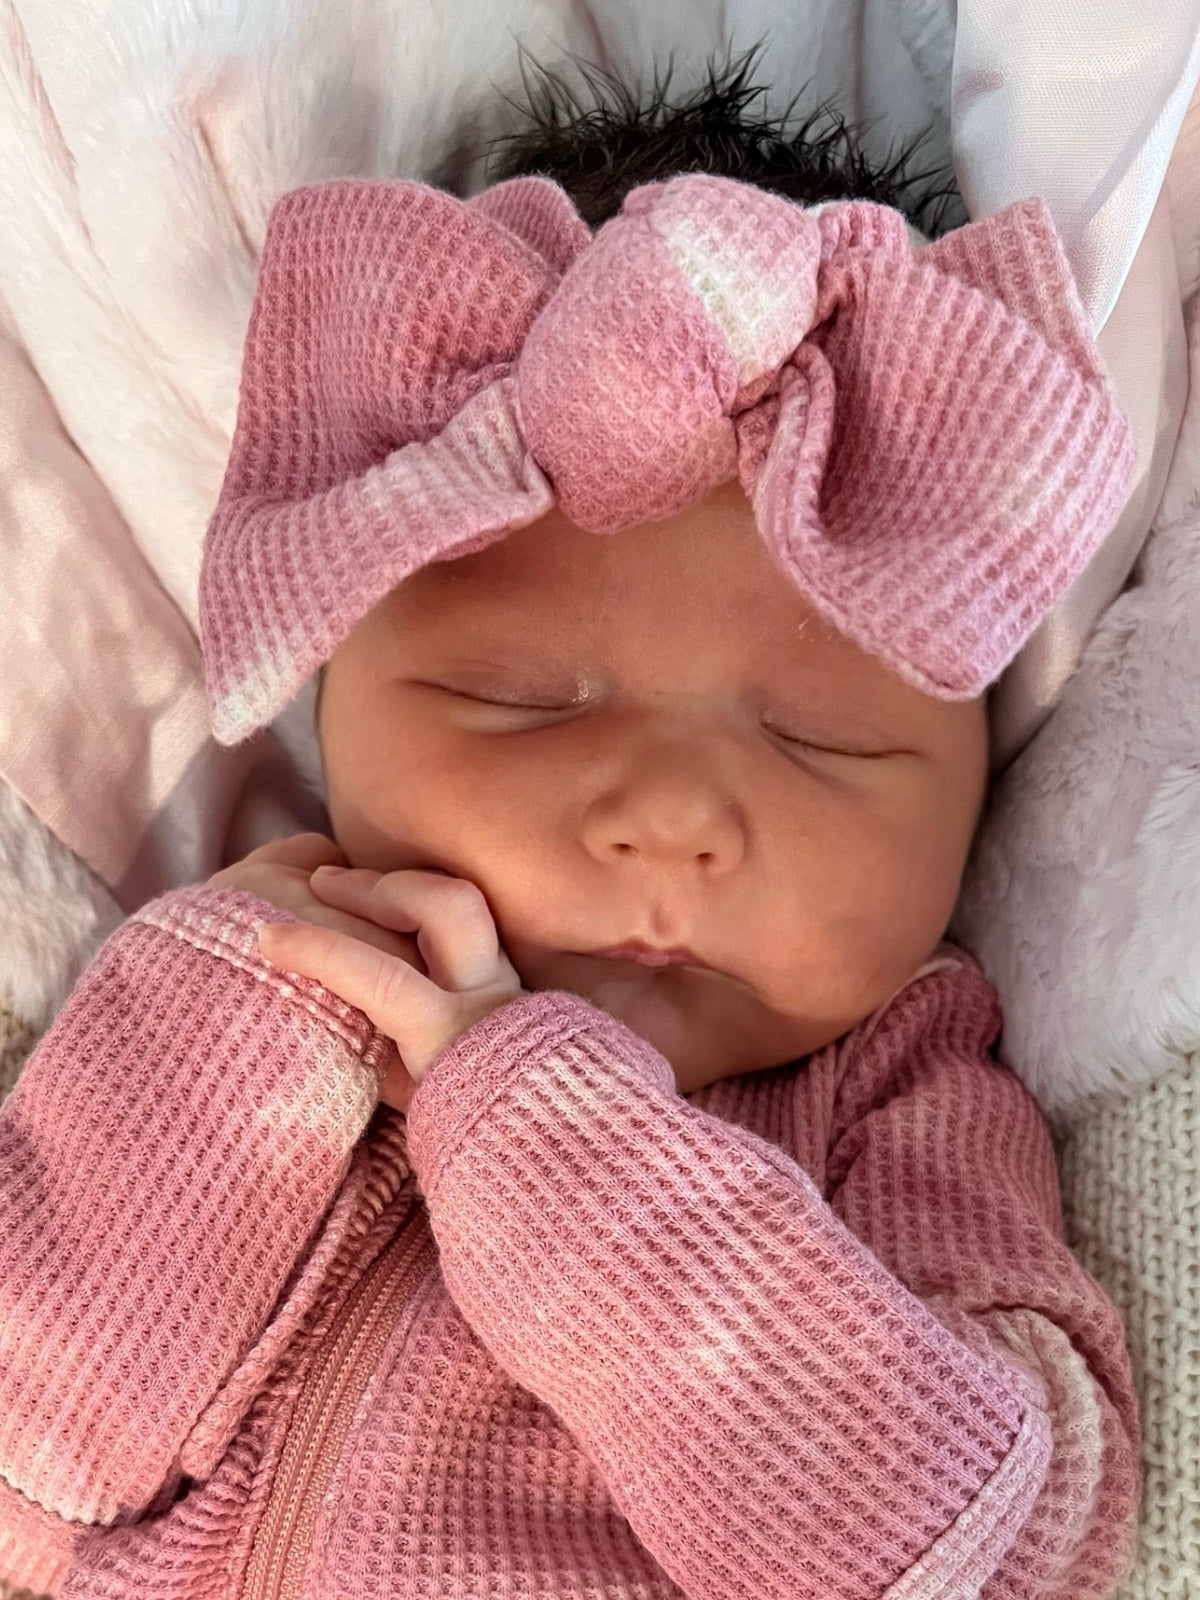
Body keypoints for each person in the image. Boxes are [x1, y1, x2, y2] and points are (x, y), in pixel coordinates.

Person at [0, 50, 1142, 1600]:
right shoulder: (258, 985)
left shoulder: (896, 1093)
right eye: (520, 701)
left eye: (821, 741)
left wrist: (563, 1158)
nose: (669, 819)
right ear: (333, 696)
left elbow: (1015, 1551)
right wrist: (211, 1052)